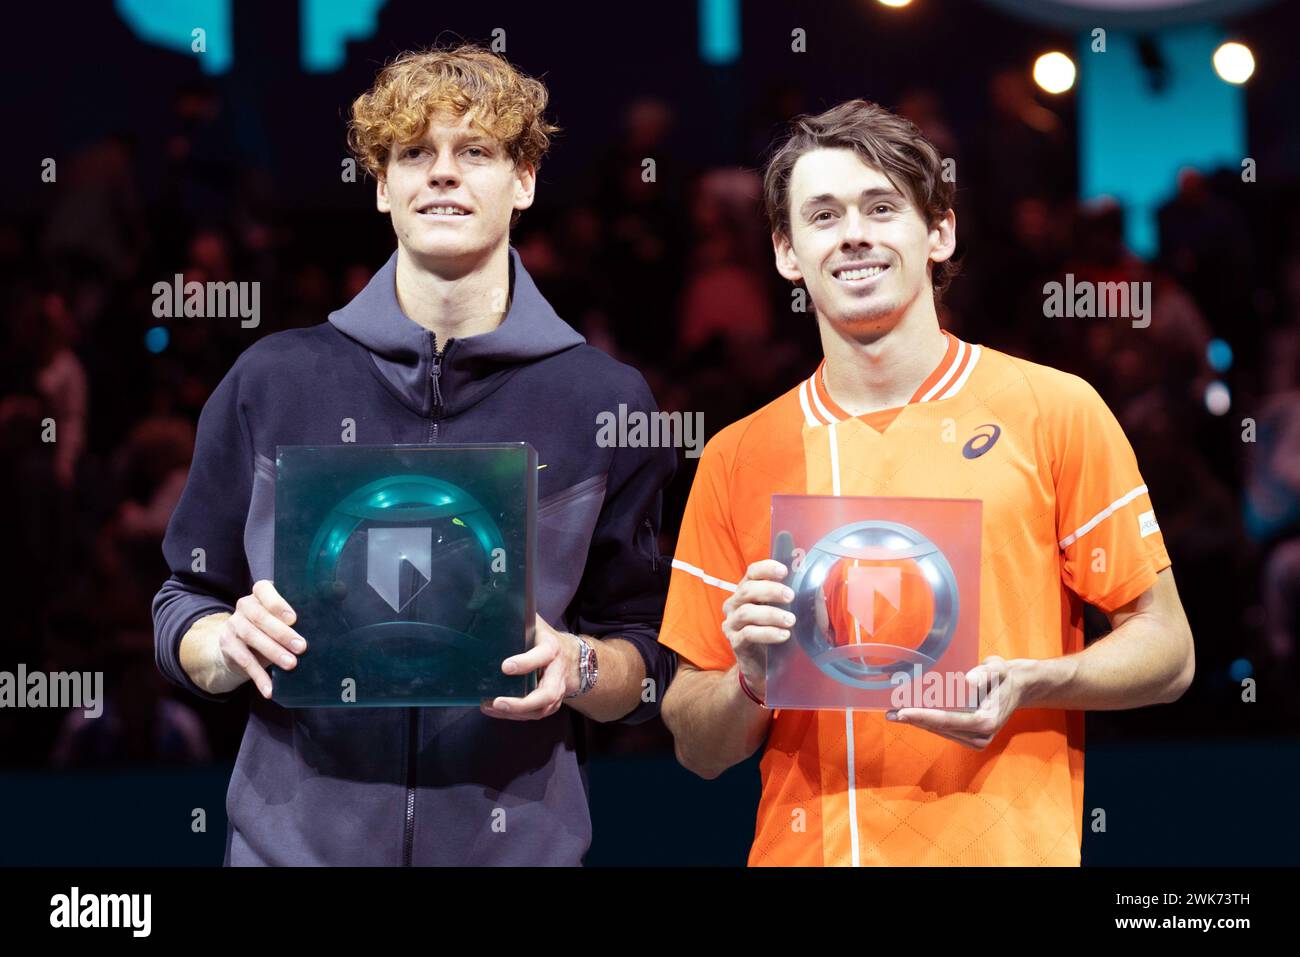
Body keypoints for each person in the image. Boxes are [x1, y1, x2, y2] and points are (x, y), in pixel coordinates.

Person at [152, 45, 676, 865]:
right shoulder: (272, 381)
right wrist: (221, 645)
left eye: (475, 151)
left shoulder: (604, 403)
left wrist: (577, 663)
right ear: (382, 186)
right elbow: (184, 597)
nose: (442, 174)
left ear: (525, 181)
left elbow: (649, 661)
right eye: (413, 154)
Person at [657, 99, 1195, 866]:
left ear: (938, 231)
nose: (854, 235)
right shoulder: (740, 453)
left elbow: (1170, 651)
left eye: (882, 207)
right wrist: (747, 680)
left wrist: (1034, 682)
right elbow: (695, 746)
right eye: (823, 215)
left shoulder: (1054, 409)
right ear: (786, 251)